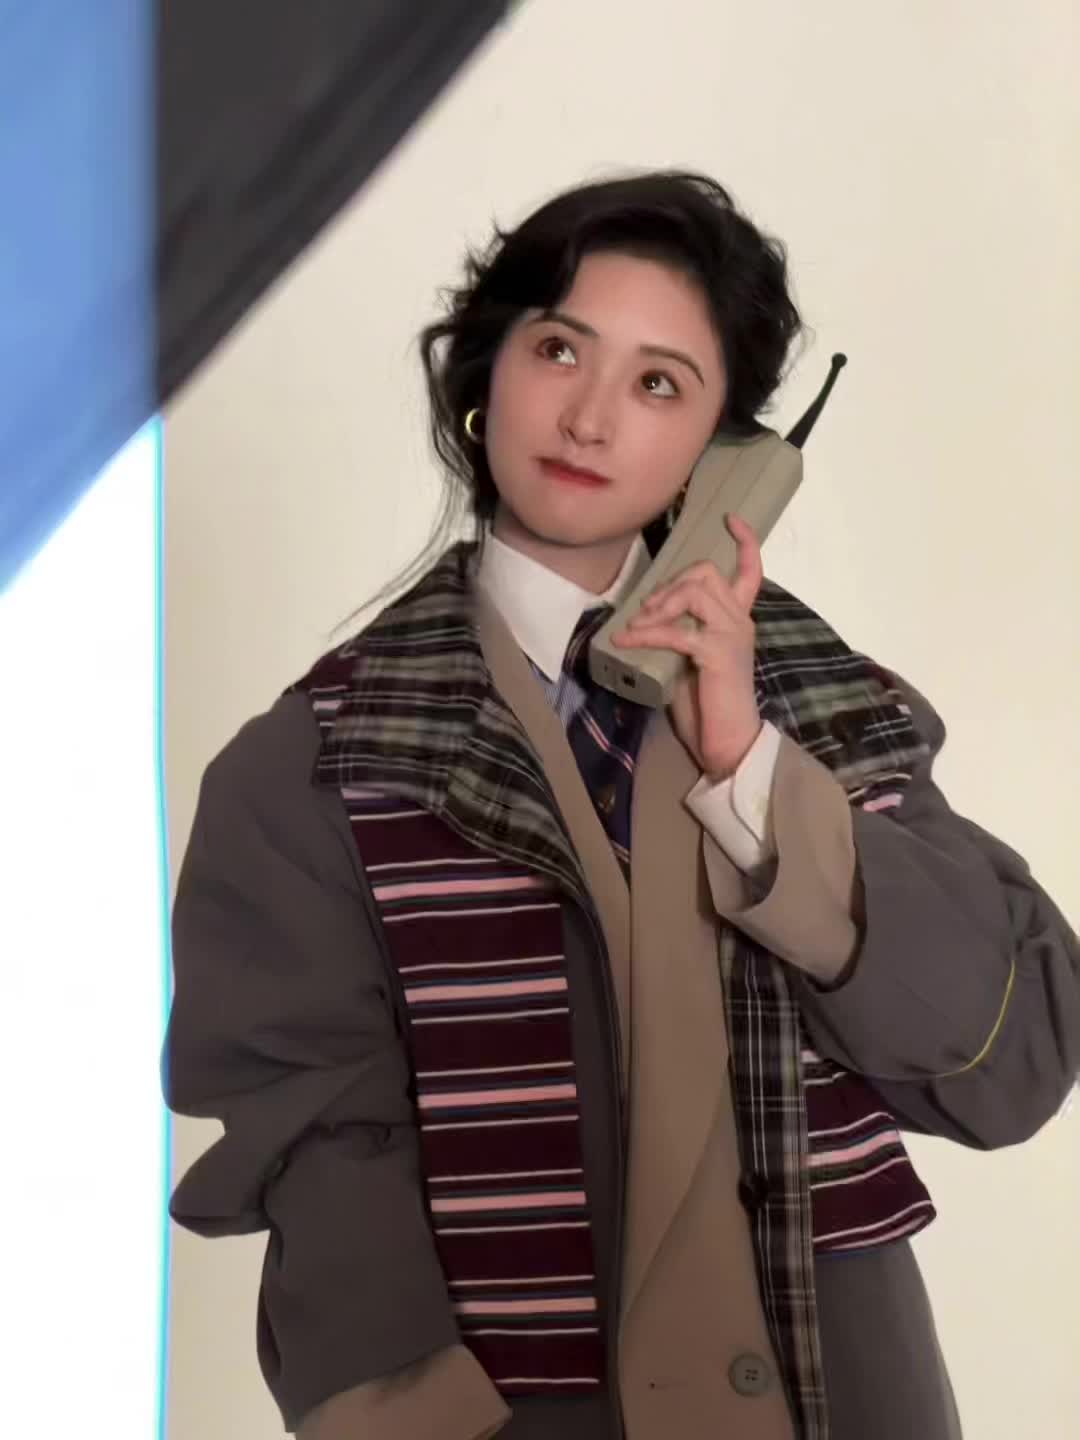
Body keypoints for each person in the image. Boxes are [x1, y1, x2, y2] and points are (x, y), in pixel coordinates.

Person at [162, 170, 1080, 1440]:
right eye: (559, 351)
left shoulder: (828, 712)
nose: (591, 419)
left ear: (727, 454)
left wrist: (750, 770)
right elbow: (327, 1162)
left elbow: (1013, 1063)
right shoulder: (312, 768)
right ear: (485, 373)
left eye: (659, 383)